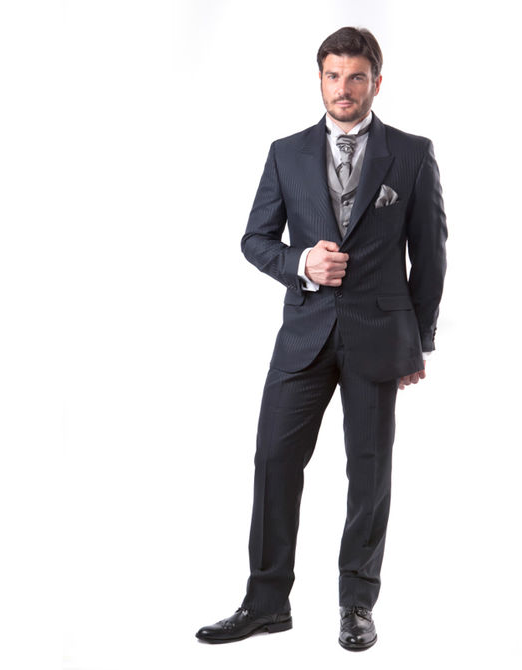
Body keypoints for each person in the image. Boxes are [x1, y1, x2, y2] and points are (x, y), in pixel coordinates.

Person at [195, 26, 447, 651]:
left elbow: (430, 256)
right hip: (303, 335)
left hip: (378, 336)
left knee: (369, 472)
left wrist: (419, 341)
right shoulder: (286, 153)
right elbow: (255, 240)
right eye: (334, 76)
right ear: (320, 80)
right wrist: (302, 262)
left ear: (377, 82)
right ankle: (266, 603)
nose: (344, 88)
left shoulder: (412, 153)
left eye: (356, 77)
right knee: (274, 462)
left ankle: (357, 604)